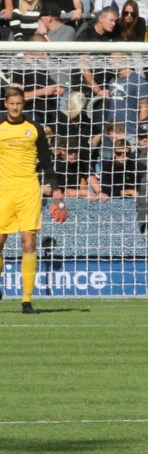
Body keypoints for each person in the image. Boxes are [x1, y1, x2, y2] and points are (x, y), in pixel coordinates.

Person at [0, 87, 65, 314]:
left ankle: (26, 300)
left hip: (29, 190)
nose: (15, 107)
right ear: (6, 104)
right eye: (12, 103)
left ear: (23, 104)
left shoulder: (34, 128)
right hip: (4, 191)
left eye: (19, 103)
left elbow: (46, 161)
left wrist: (56, 189)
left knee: (29, 242)